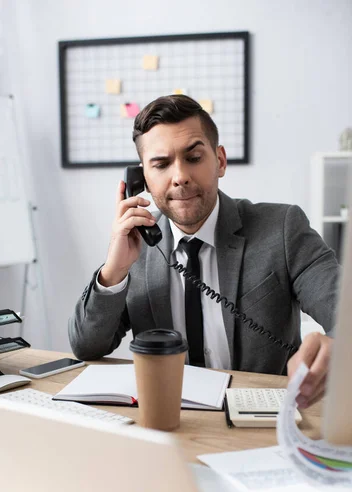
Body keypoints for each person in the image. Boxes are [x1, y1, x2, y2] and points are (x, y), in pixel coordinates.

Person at [69, 95, 339, 409]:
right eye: (161, 164)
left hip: (260, 421)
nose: (180, 175)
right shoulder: (135, 246)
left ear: (220, 161)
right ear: (142, 177)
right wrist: (114, 272)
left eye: (194, 157)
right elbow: (86, 346)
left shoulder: (282, 228)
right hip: (167, 421)